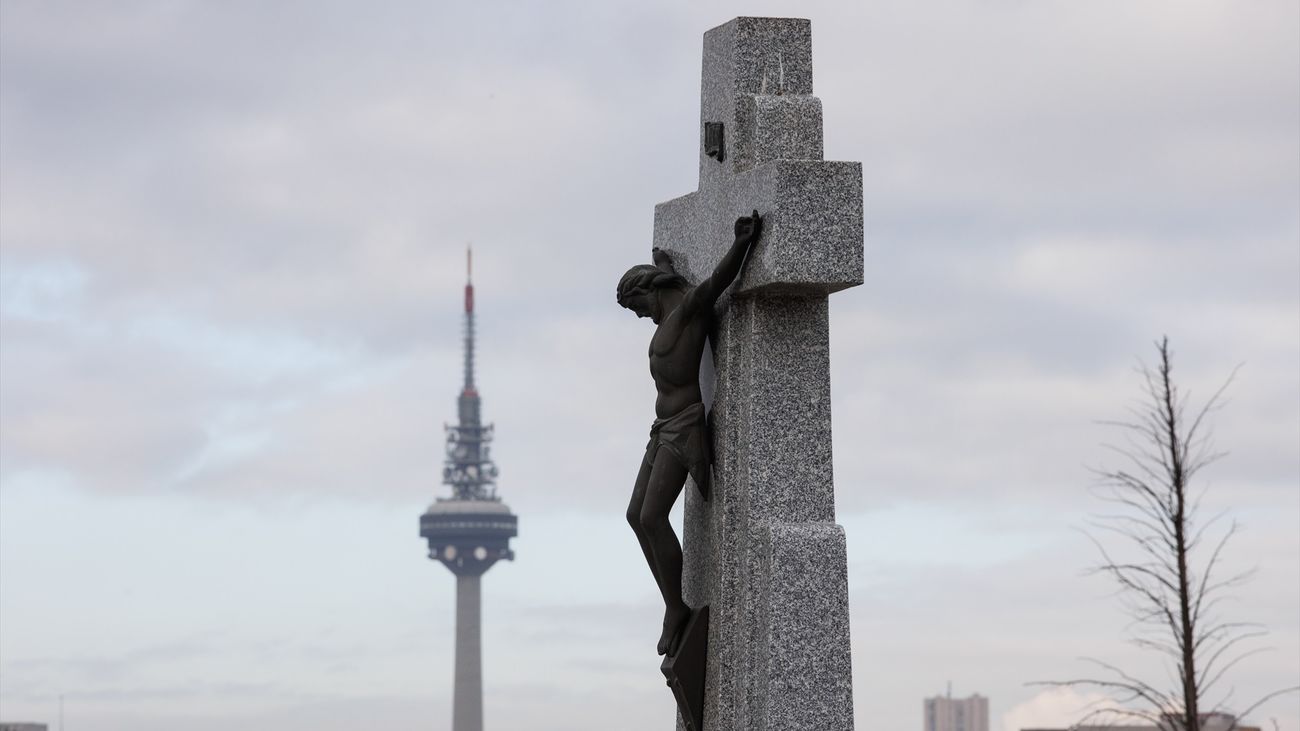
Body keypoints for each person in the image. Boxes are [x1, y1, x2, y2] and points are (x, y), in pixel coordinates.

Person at [616, 210, 763, 656]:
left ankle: (674, 608)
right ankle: (672, 605)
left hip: (682, 429)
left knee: (651, 517)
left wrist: (741, 243)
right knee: (633, 516)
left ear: (650, 294)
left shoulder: (688, 312)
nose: (639, 317)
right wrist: (661, 259)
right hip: (660, 429)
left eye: (637, 307)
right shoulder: (666, 304)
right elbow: (667, 275)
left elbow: (716, 282)